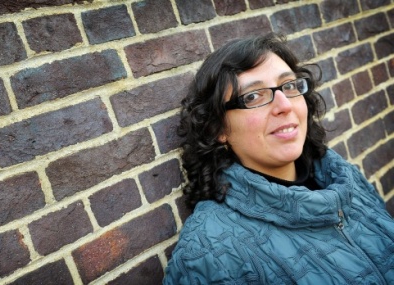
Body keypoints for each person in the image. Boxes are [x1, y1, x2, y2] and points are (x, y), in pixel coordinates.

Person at [163, 33, 394, 284]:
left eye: (289, 86)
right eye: (252, 96)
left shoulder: (345, 179)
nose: (285, 105)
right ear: (218, 129)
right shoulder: (209, 253)